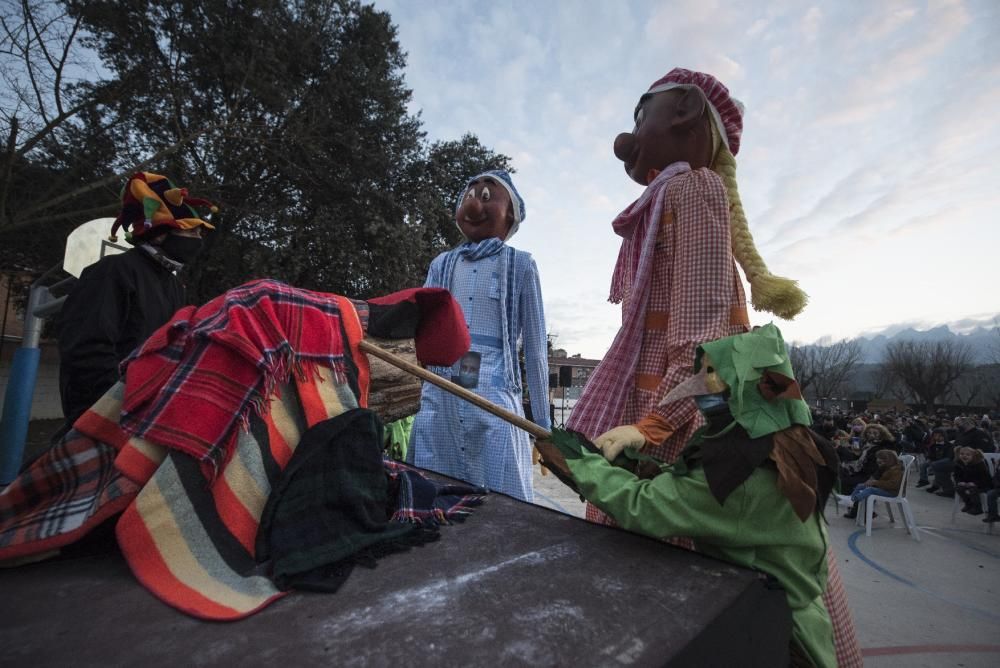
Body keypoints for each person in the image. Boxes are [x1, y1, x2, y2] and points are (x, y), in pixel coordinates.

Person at [562, 67, 860, 667]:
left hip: (688, 416)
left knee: (676, 571)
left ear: (683, 116)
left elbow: (704, 347)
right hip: (682, 398)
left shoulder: (692, 189)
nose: (629, 135)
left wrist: (648, 427)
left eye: (639, 116)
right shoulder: (674, 191)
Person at [537, 325, 839, 667]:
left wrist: (582, 465)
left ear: (745, 384)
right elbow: (692, 485)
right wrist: (643, 468)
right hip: (773, 609)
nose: (702, 384)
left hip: (776, 637)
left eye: (713, 372)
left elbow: (644, 506)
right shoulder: (781, 443)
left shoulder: (745, 474)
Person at [408, 170, 549, 502]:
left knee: (501, 487)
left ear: (510, 214)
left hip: (497, 386)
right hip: (442, 386)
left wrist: (543, 427)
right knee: (434, 476)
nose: (472, 202)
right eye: (466, 197)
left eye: (486, 196)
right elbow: (423, 324)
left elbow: (535, 346)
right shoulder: (442, 264)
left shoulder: (522, 266)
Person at [56, 172, 216, 431]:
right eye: (190, 232)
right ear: (159, 234)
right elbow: (86, 347)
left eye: (200, 234)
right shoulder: (113, 271)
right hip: (102, 417)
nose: (198, 241)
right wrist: (117, 407)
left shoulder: (174, 285)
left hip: (146, 417)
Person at [842, 449, 902, 519]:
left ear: (888, 461)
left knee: (870, 490)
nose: (879, 464)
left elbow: (893, 485)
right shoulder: (886, 467)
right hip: (884, 488)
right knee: (860, 486)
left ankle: (853, 500)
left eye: (881, 462)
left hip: (892, 492)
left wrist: (875, 482)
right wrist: (870, 481)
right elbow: (875, 476)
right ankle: (850, 499)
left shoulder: (896, 471)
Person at [838, 423, 895, 492]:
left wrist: (854, 467)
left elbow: (873, 468)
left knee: (843, 480)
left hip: (870, 477)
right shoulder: (868, 445)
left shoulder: (880, 448)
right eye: (869, 433)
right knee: (838, 472)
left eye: (875, 433)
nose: (871, 435)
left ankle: (851, 499)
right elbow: (857, 457)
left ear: (881, 435)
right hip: (863, 472)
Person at [952, 447, 992, 515]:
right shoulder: (958, 463)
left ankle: (978, 507)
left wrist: (975, 483)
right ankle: (969, 504)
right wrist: (960, 482)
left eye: (968, 455)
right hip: (966, 483)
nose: (964, 456)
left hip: (981, 484)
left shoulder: (979, 464)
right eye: (962, 454)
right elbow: (956, 475)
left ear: (973, 456)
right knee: (958, 488)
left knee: (972, 490)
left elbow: (985, 478)